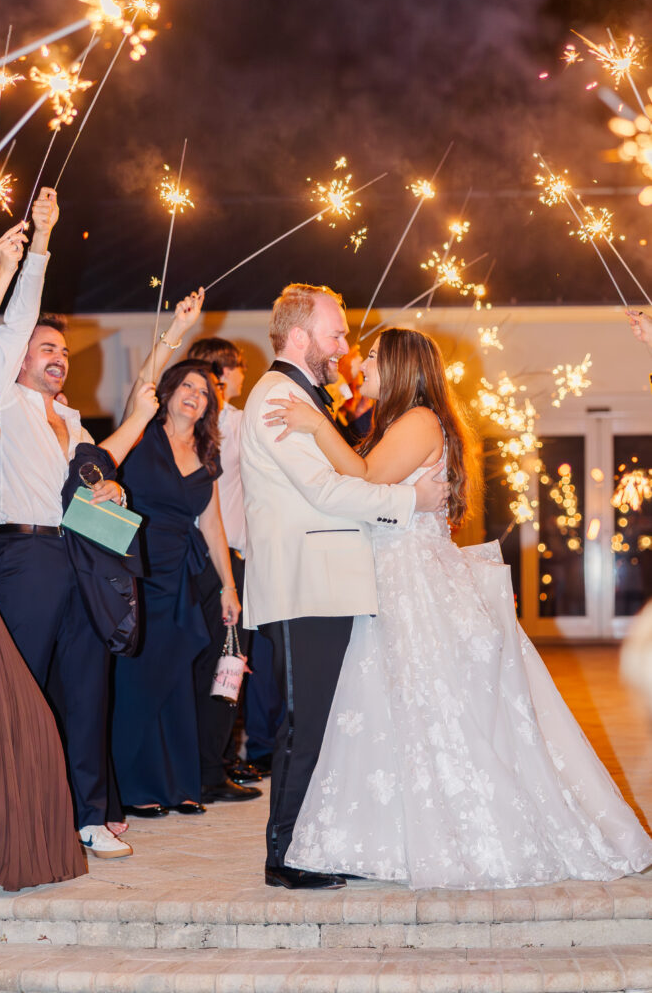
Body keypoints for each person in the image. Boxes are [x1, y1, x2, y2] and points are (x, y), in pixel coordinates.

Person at [264, 326, 652, 889]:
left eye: (372, 357)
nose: (360, 365)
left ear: (399, 367)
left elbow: (369, 478)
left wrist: (314, 424)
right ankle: (393, 836)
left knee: (433, 712)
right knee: (395, 713)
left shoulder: (419, 420)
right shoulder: (404, 422)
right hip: (397, 579)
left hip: (413, 584)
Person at [239, 283, 449, 890]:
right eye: (335, 333)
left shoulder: (302, 396)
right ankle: (287, 856)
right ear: (300, 336)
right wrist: (411, 500)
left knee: (325, 722)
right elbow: (326, 491)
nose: (344, 346)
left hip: (326, 581)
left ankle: (308, 844)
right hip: (308, 582)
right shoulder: (278, 395)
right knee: (308, 723)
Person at [0, 189, 133, 860]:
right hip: (25, 559)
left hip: (80, 556)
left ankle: (91, 815)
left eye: (63, 351)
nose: (58, 356)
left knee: (87, 685)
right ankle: (16, 812)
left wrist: (111, 493)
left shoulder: (72, 421)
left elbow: (93, 484)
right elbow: (11, 324)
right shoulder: (4, 402)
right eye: (46, 347)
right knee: (24, 686)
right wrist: (40, 242)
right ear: (15, 360)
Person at [0, 225, 85, 890]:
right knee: (18, 713)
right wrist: (22, 259)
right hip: (15, 562)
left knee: (20, 716)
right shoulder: (3, 382)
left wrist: (25, 255)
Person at [113, 357, 260, 815]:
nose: (196, 397)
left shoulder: (205, 450)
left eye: (204, 394)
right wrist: (176, 328)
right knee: (139, 680)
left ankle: (178, 784)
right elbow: (144, 377)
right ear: (169, 390)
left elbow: (212, 526)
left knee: (179, 678)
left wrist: (228, 589)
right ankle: (133, 787)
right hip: (138, 566)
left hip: (184, 573)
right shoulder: (139, 433)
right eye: (189, 387)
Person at [188, 336, 280, 783]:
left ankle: (216, 757)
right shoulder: (226, 423)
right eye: (239, 366)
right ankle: (211, 762)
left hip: (220, 559)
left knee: (224, 662)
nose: (245, 374)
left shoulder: (226, 423)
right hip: (213, 560)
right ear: (222, 372)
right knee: (221, 662)